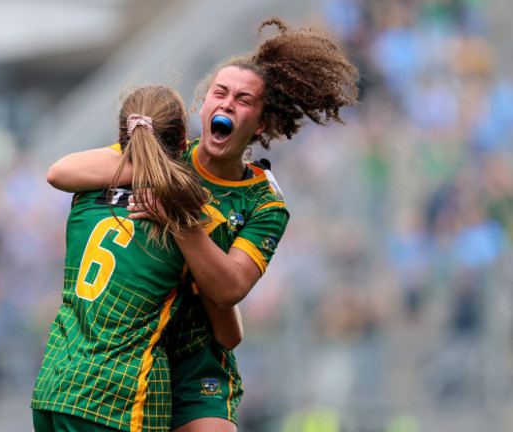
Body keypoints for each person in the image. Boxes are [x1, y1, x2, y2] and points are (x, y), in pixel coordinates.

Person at [47, 17, 359, 431]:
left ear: (261, 123)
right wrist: (158, 176)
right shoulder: (166, 151)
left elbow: (229, 290)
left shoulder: (265, 204)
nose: (228, 104)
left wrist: (178, 215)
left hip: (196, 363)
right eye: (220, 92)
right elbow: (62, 171)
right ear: (203, 105)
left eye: (243, 99)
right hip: (132, 355)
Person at [31, 84, 243, 432]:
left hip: (55, 386)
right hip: (119, 396)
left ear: (120, 142)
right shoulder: (193, 218)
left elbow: (58, 171)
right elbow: (229, 333)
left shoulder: (84, 194)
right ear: (182, 140)